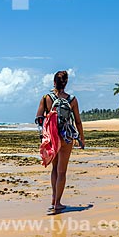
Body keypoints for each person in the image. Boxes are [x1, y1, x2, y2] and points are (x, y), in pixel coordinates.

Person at [35, 70, 85, 213]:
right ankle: (58, 203)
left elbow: (39, 118)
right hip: (66, 138)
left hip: (53, 137)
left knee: (54, 169)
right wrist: (81, 138)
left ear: (54, 82)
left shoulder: (46, 98)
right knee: (62, 171)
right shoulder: (72, 100)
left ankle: (53, 199)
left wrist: (44, 134)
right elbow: (78, 121)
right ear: (66, 83)